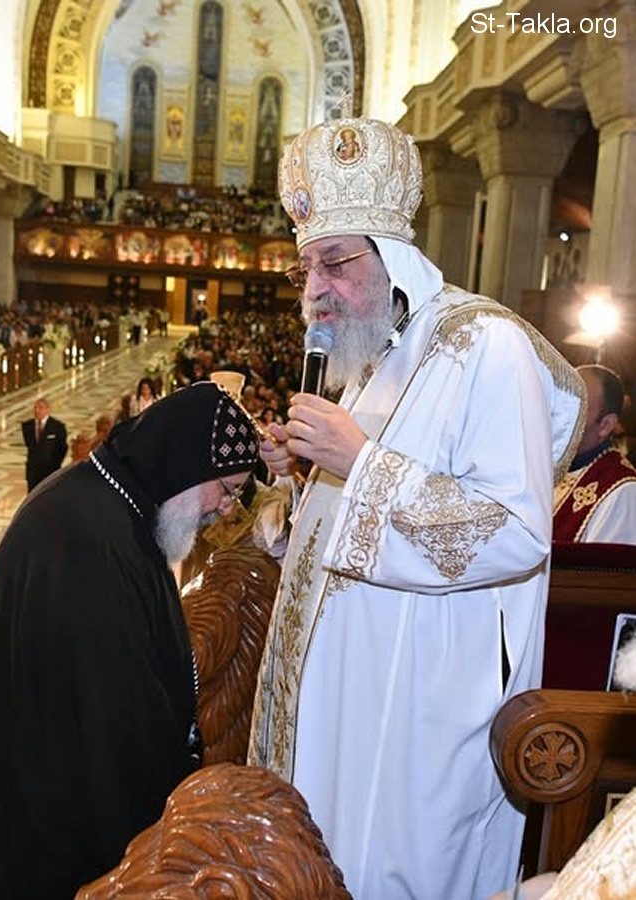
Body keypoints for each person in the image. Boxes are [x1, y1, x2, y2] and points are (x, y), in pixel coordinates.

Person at [247, 110, 586, 900]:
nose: (315, 289)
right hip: (337, 705)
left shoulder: (482, 345)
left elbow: (515, 532)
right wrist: (297, 486)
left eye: (334, 262)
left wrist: (359, 464)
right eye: (305, 268)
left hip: (407, 720)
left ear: (391, 255)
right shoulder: (373, 356)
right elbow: (347, 524)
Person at [0, 381, 260, 900]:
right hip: (56, 837)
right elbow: (110, 731)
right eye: (227, 489)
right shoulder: (90, 545)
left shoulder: (115, 505)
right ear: (187, 462)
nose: (226, 509)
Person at [553, 364, 636, 543]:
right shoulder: (544, 469)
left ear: (606, 425)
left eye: (574, 407)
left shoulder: (623, 492)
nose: (556, 415)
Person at [21, 396, 68, 491]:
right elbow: (29, 444)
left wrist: (55, 464)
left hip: (50, 470)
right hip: (33, 472)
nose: (37, 410)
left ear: (47, 410)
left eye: (40, 408)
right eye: (35, 407)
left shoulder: (57, 426)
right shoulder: (27, 426)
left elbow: (62, 448)